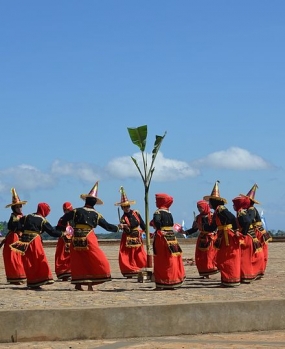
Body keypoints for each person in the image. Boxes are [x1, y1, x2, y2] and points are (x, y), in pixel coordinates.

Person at [58, 181, 123, 291]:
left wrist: (62, 230)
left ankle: (78, 283)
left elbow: (62, 219)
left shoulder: (76, 211)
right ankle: (90, 284)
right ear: (94, 203)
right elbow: (107, 227)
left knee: (77, 260)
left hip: (76, 237)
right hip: (89, 237)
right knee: (94, 258)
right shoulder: (96, 215)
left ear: (86, 201)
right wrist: (118, 227)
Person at [10, 202, 63, 289]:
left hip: (24, 241)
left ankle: (32, 281)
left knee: (28, 261)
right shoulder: (42, 220)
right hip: (35, 241)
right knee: (38, 260)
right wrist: (63, 234)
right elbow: (52, 232)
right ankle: (40, 280)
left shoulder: (27, 216)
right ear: (44, 211)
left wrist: (24, 231)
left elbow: (16, 225)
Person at [203, 181, 241, 287]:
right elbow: (213, 226)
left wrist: (235, 229)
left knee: (228, 257)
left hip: (227, 236)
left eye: (210, 202)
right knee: (222, 257)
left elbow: (232, 218)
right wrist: (203, 227)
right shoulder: (217, 212)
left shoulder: (221, 210)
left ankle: (230, 278)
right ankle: (226, 278)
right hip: (222, 235)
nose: (208, 204)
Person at [150, 193, 185, 290]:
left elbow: (157, 223)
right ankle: (173, 279)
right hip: (171, 236)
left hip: (162, 237)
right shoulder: (169, 213)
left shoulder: (158, 213)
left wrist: (155, 225)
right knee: (171, 258)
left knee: (161, 259)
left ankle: (162, 281)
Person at [114, 186, 147, 278]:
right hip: (128, 237)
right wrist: (124, 226)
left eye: (127, 206)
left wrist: (146, 232)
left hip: (137, 236)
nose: (126, 208)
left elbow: (142, 223)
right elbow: (127, 231)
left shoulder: (136, 213)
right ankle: (130, 270)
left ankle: (141, 267)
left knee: (139, 253)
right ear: (122, 208)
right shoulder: (123, 218)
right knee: (129, 254)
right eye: (124, 207)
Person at [240, 183, 272, 277]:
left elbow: (249, 221)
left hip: (257, 231)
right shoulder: (251, 209)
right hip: (259, 230)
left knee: (258, 252)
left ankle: (258, 269)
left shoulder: (250, 210)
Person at [181, 200, 218, 278]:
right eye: (198, 208)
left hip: (210, 238)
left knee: (209, 256)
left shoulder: (212, 215)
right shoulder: (198, 217)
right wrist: (185, 232)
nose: (199, 210)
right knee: (200, 257)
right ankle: (204, 272)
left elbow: (214, 227)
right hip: (201, 238)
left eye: (200, 208)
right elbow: (194, 229)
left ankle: (210, 271)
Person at [232, 195, 264, 283]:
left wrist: (243, 234)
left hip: (248, 236)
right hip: (251, 235)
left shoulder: (242, 212)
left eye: (234, 204)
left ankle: (246, 275)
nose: (233, 206)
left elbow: (247, 221)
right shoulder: (242, 212)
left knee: (245, 257)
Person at [2, 188, 27, 285]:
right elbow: (13, 227)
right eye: (17, 207)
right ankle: (15, 277)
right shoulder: (14, 217)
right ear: (14, 208)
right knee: (14, 258)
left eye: (20, 206)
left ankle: (20, 276)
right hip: (13, 238)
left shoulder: (22, 216)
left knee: (20, 258)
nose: (19, 208)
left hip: (20, 238)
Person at [55, 202, 74, 281]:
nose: (66, 212)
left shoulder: (75, 218)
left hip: (72, 239)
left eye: (68, 210)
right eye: (65, 210)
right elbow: (58, 229)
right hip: (63, 240)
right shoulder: (62, 219)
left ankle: (70, 272)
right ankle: (63, 273)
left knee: (71, 256)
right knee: (62, 256)